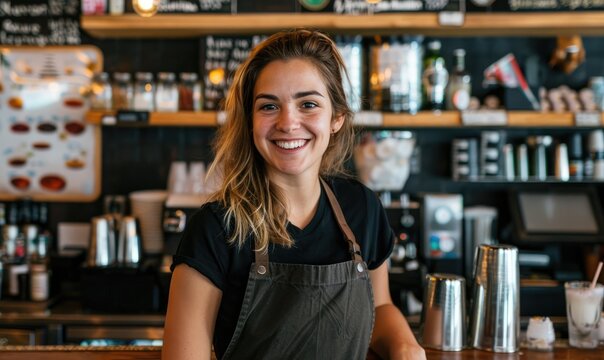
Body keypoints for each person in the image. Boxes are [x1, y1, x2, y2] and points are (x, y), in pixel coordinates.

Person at [162, 28, 426, 360]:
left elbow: (380, 306)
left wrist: (405, 345)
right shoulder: (214, 229)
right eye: (269, 106)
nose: (288, 123)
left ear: (337, 118)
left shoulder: (361, 207)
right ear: (250, 122)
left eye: (308, 104)